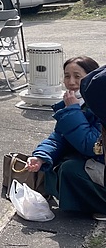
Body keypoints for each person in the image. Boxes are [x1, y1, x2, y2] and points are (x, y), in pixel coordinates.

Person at [27, 56, 106, 220]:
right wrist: (40, 156)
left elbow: (91, 145)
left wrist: (73, 111)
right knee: (58, 164)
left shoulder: (99, 103)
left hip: (100, 161)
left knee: (70, 169)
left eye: (78, 76)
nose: (71, 82)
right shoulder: (75, 103)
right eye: (66, 76)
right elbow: (58, 138)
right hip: (94, 161)